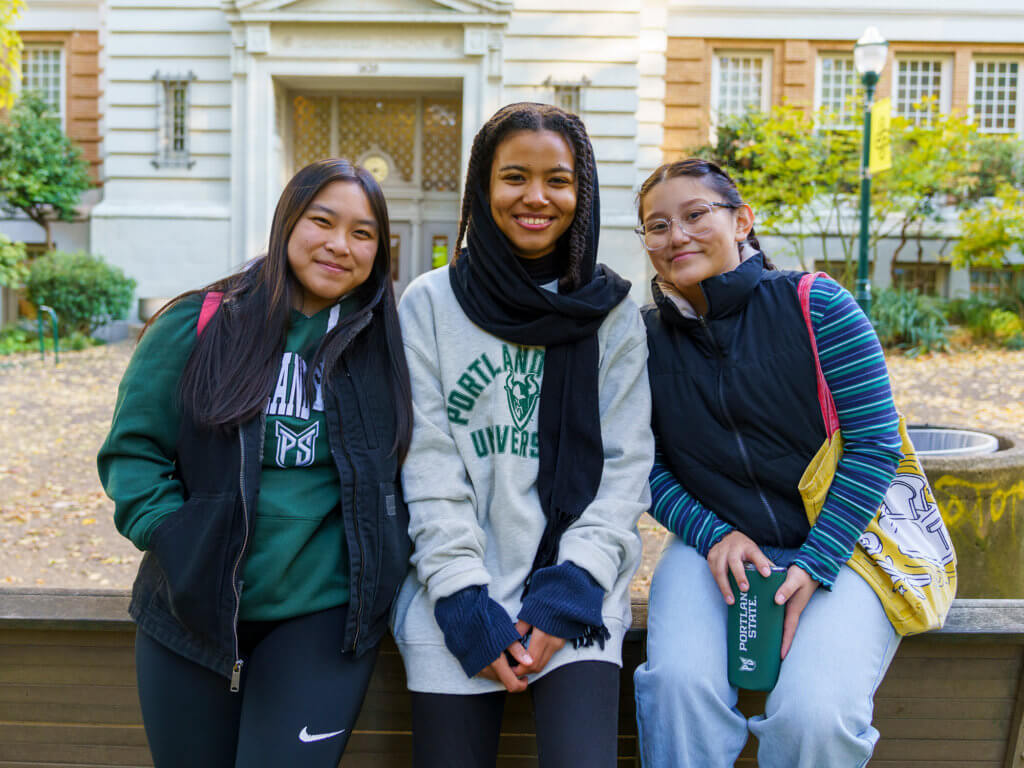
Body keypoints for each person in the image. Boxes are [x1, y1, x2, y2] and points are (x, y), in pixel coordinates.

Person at [97, 158, 412, 768]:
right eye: (323, 221)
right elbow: (133, 453)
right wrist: (176, 538)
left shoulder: (387, 346)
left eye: (363, 233)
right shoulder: (200, 324)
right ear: (287, 221)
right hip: (191, 611)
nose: (339, 245)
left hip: (324, 618)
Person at [391, 102, 654, 768]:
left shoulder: (613, 313)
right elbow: (426, 462)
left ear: (581, 191)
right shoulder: (429, 302)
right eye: (514, 177)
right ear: (483, 187)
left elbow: (626, 466)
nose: (536, 197)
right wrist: (459, 595)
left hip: (575, 586)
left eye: (558, 179)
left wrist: (574, 583)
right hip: (452, 586)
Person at [632, 158, 904, 767]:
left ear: (742, 221)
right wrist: (712, 534)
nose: (676, 236)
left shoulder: (816, 305)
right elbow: (640, 464)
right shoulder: (643, 341)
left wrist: (818, 559)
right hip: (714, 552)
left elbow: (875, 444)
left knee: (816, 716)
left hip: (841, 547)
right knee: (678, 690)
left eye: (695, 215)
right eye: (657, 225)